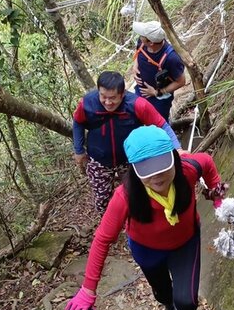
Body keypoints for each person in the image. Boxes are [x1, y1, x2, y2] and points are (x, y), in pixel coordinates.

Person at [65, 125, 228, 310]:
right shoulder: (125, 196)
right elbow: (102, 239)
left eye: (161, 165)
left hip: (186, 243)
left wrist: (217, 196)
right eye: (146, 168)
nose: (156, 175)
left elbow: (208, 164)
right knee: (162, 291)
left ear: (173, 156)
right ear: (133, 168)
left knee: (188, 301)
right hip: (146, 250)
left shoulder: (189, 168)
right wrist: (88, 289)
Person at [73, 71, 181, 215]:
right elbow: (78, 122)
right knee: (102, 198)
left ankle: (138, 220)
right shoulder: (87, 103)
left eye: (112, 98)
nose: (107, 102)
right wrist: (79, 150)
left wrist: (178, 149)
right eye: (103, 96)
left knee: (136, 192)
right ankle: (110, 223)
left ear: (122, 94)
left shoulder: (137, 105)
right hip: (98, 159)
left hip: (129, 159)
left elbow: (162, 125)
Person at [132, 20, 186, 120]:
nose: (140, 36)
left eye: (142, 35)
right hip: (140, 91)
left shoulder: (172, 58)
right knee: (138, 118)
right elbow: (139, 51)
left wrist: (157, 92)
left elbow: (181, 81)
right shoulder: (142, 42)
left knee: (158, 123)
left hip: (159, 100)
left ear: (151, 42)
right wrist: (135, 65)